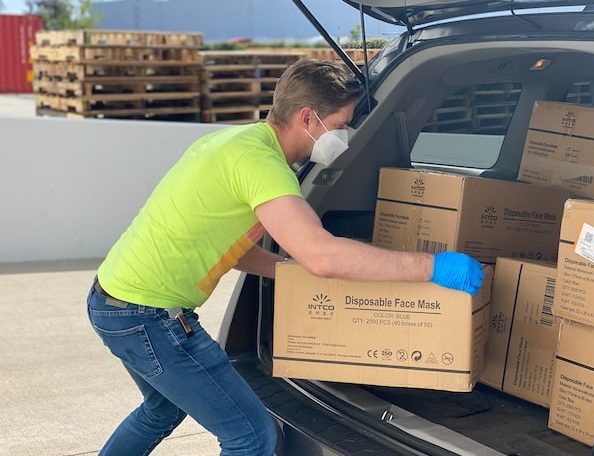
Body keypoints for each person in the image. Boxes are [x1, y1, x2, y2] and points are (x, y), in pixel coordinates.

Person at [86, 58, 483, 456]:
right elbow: (323, 255)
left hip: (114, 302)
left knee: (162, 410)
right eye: (342, 124)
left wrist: (295, 275)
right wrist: (433, 267)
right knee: (252, 436)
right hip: (150, 317)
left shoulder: (235, 143)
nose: (344, 136)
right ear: (308, 118)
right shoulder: (262, 165)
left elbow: (235, 252)